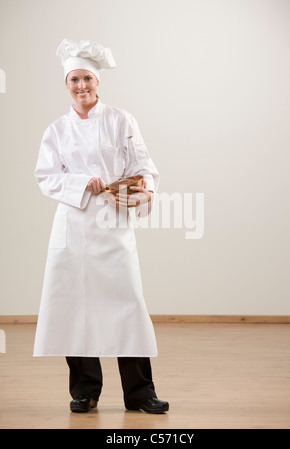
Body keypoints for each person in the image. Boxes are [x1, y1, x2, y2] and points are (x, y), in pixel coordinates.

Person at [33, 38, 169, 414]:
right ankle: (85, 390)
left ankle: (141, 393)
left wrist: (140, 190)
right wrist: (81, 183)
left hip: (113, 223)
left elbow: (145, 168)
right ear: (66, 84)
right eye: (74, 79)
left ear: (98, 82)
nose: (82, 86)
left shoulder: (122, 120)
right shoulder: (56, 130)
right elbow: (45, 176)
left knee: (128, 304)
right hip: (73, 225)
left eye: (88, 79)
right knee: (73, 305)